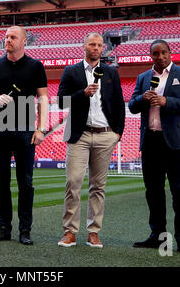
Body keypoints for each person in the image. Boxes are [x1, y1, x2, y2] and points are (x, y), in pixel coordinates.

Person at [129, 39, 180, 255]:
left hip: (176, 143)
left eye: (163, 52)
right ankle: (158, 237)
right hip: (151, 141)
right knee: (153, 192)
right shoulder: (143, 77)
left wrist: (167, 102)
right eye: (155, 53)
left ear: (170, 53)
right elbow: (132, 106)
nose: (160, 56)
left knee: (179, 191)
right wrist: (142, 98)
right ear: (150, 55)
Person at [0, 26, 48, 245]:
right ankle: (3, 227)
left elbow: (43, 98)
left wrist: (41, 128)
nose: (7, 40)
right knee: (1, 182)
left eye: (13, 37)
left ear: (24, 41)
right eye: (6, 37)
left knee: (25, 182)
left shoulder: (36, 66)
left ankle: (25, 230)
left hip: (25, 130)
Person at [57, 32, 125, 248]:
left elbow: (119, 104)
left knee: (98, 186)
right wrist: (82, 94)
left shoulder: (111, 72)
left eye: (99, 45)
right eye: (92, 44)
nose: (96, 48)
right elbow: (61, 102)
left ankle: (93, 232)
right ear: (84, 46)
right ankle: (70, 232)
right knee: (73, 182)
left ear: (103, 48)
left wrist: (117, 133)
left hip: (106, 134)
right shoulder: (71, 71)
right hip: (80, 134)